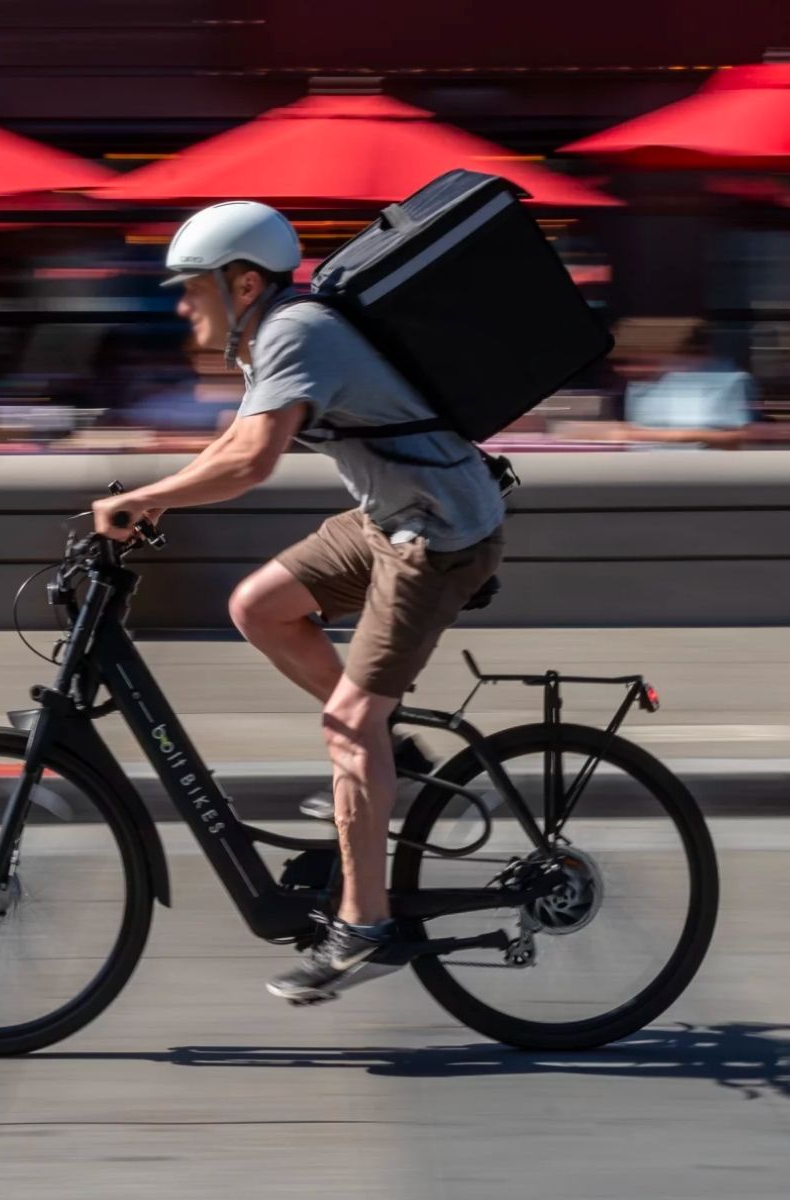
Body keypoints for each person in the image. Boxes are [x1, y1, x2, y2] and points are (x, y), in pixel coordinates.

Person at [89, 201, 506, 1005]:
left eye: (193, 289)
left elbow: (251, 462)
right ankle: (398, 759)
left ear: (244, 282)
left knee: (348, 723)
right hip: (391, 518)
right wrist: (154, 500)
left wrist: (147, 500)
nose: (183, 305)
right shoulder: (267, 337)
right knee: (259, 606)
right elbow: (230, 443)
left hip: (441, 530)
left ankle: (365, 927)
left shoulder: (295, 331)